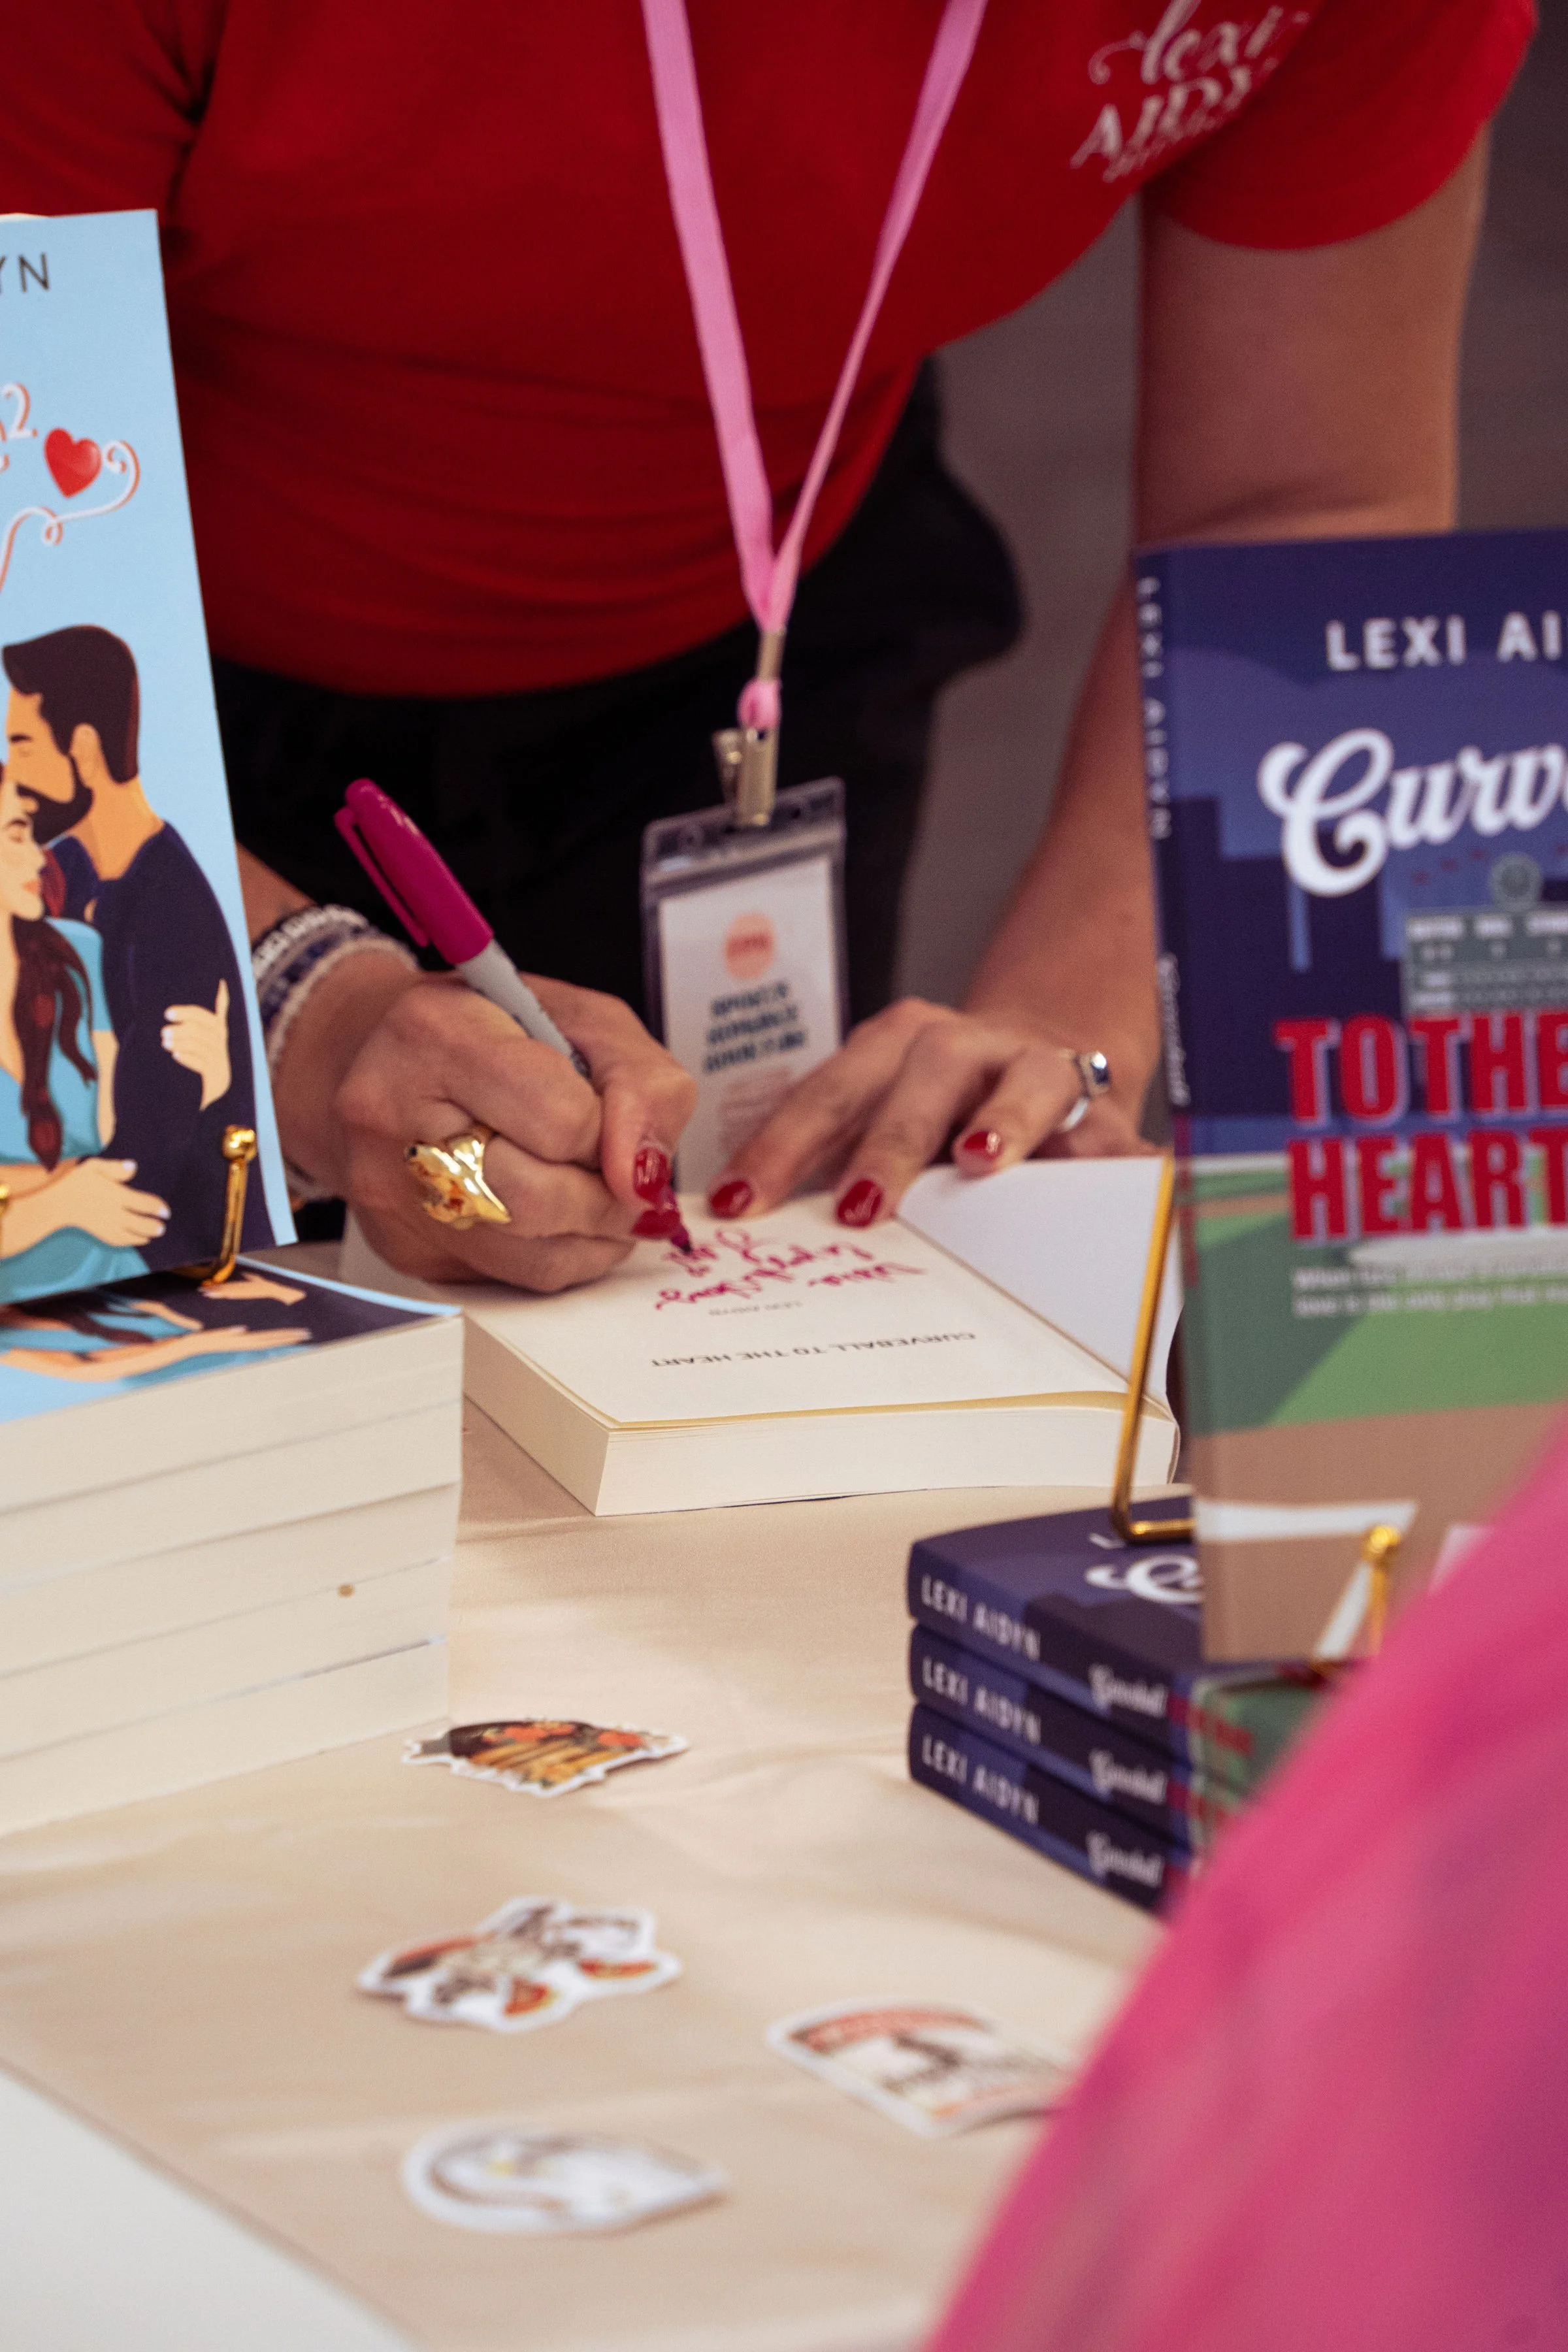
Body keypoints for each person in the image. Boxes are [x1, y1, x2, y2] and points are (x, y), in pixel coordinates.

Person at [3, 1, 1533, 1294]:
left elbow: (1304, 505)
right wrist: (293, 999)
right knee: (116, 1394)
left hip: (757, 646)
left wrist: (1058, 1039)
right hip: (108, 690)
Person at [3, 627, 260, 1268]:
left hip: (154, 1263)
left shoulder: (172, 908)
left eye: (23, 746)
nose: (16, 775)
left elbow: (141, 1176)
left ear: (85, 749)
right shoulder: (56, 873)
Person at [0, 774, 171, 1297]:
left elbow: (118, 1124)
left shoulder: (74, 952)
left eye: (32, 835)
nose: (38, 859)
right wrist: (59, 1206)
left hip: (110, 1262)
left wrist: (209, 1078)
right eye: (15, 835)